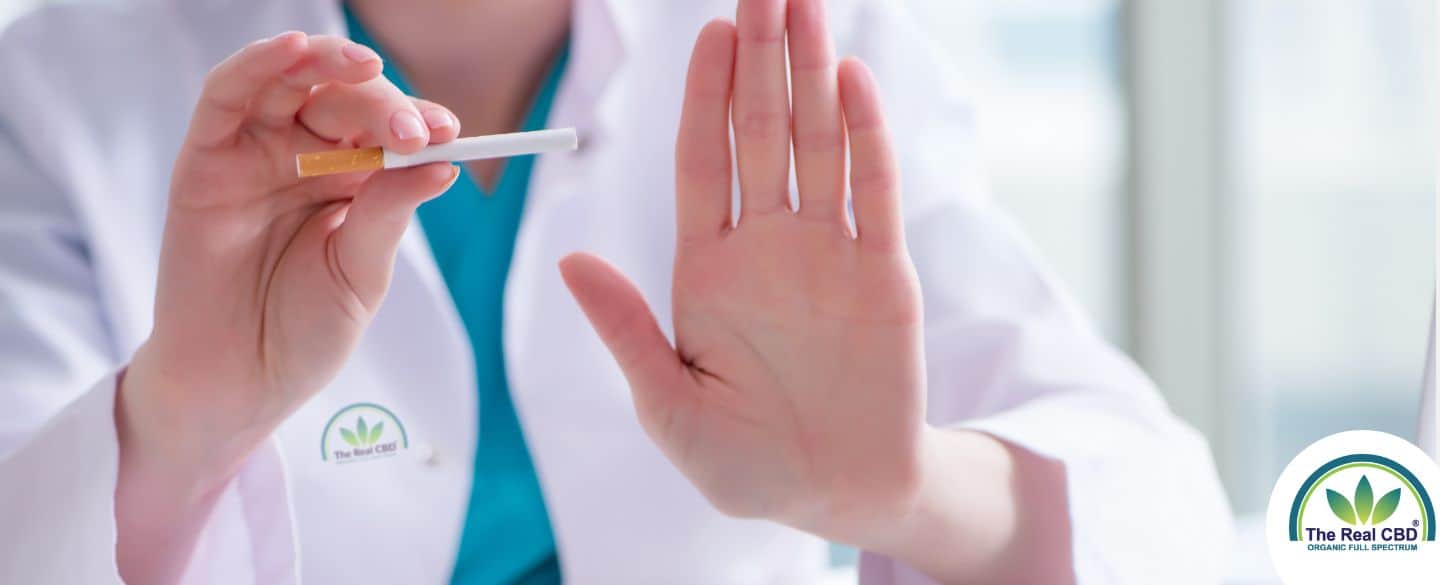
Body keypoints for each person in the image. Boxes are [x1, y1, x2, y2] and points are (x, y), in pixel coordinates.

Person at [0, 0, 1231, 583]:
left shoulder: (805, 47)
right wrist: (175, 426)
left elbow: (1159, 514)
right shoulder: (56, 86)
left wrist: (903, 487)